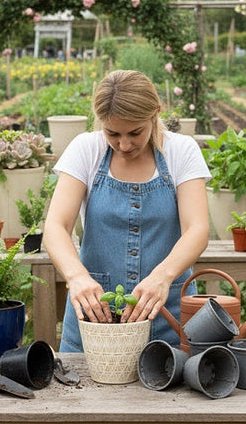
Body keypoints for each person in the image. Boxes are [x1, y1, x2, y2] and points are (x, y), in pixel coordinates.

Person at [43, 70, 211, 352]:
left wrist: (162, 277)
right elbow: (56, 227)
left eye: (135, 133)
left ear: (155, 113)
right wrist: (77, 277)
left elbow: (197, 229)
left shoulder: (182, 151)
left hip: (168, 318)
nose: (124, 144)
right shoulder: (86, 149)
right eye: (113, 133)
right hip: (95, 317)